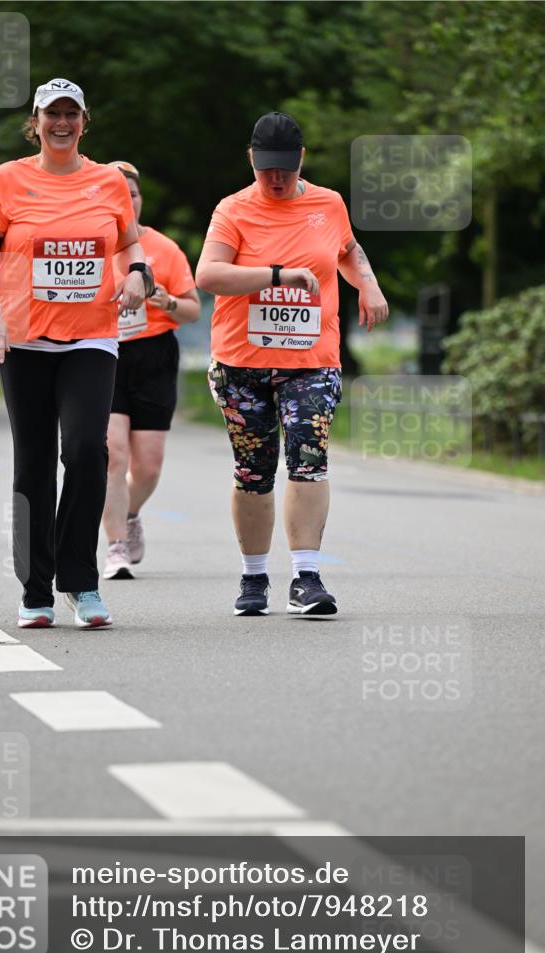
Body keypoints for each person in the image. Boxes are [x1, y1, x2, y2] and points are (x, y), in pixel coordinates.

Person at [0, 79, 153, 629]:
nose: (62, 123)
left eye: (72, 113)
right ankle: (35, 590)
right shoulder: (8, 179)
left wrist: (137, 273)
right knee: (34, 464)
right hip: (22, 340)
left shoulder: (108, 181)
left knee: (89, 452)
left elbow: (129, 244)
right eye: (52, 114)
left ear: (85, 122)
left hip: (91, 337)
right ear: (36, 121)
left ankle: (81, 582)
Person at [196, 111, 389, 617]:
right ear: (251, 160)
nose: (276, 178)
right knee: (253, 471)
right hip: (242, 362)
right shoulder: (233, 209)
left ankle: (306, 577)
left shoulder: (329, 203)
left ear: (301, 159)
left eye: (285, 168)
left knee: (309, 457)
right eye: (266, 169)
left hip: (311, 361)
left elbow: (348, 249)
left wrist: (368, 285)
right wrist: (277, 275)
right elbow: (209, 275)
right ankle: (253, 578)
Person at [102, 161, 200, 579]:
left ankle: (130, 513)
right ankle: (115, 547)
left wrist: (167, 301)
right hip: (104, 353)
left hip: (154, 356)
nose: (127, 202)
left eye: (133, 194)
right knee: (113, 454)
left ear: (140, 200)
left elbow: (193, 310)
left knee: (148, 466)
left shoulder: (164, 248)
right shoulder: (92, 245)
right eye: (118, 195)